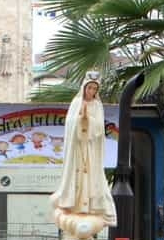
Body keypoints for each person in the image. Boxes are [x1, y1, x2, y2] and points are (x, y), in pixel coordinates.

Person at [50, 72, 116, 226]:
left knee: (90, 175)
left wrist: (89, 120)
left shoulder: (97, 105)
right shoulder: (76, 102)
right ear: (84, 88)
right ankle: (74, 203)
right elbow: (70, 124)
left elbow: (99, 128)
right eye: (89, 88)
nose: (91, 91)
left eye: (94, 89)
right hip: (77, 147)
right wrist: (80, 119)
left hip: (91, 146)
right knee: (77, 174)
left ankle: (91, 206)